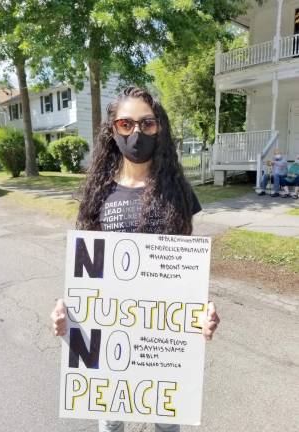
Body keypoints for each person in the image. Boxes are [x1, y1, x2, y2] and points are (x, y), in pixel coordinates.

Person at [51, 87, 220, 432]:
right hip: (111, 340)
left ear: (161, 129)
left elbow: (184, 269)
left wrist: (201, 311)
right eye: (126, 124)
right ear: (112, 131)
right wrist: (68, 307)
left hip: (164, 339)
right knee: (111, 423)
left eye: (147, 123)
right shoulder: (98, 195)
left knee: (166, 424)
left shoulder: (179, 192)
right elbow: (87, 271)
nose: (137, 133)